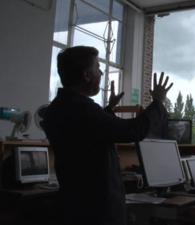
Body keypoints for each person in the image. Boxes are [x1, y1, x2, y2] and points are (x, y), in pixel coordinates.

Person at [41, 46, 172, 225]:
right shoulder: (84, 109)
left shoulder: (57, 108)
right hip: (97, 209)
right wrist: (157, 102)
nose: (101, 72)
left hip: (74, 204)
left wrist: (109, 109)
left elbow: (90, 132)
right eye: (97, 67)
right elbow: (132, 131)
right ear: (86, 75)